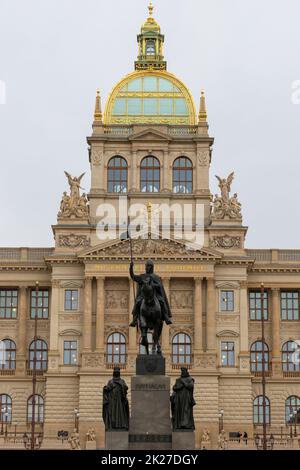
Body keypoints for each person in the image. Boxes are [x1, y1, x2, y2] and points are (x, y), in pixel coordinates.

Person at [129, 259, 172, 327]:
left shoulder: (156, 277)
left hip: (155, 295)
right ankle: (134, 319)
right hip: (143, 296)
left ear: (151, 267)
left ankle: (166, 317)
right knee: (137, 302)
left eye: (148, 266)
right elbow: (133, 277)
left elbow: (159, 286)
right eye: (146, 266)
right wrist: (131, 267)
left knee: (162, 301)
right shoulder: (142, 276)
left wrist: (153, 285)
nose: (146, 268)